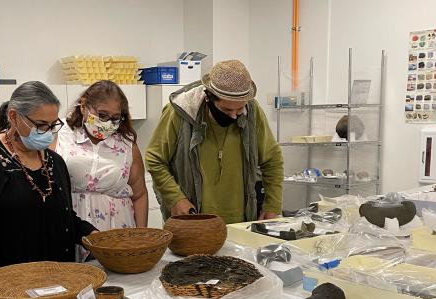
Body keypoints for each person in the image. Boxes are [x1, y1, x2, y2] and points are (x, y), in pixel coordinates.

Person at [0, 81, 98, 280]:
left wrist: (90, 234)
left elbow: (62, 218)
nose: (48, 132)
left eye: (53, 125)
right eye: (41, 125)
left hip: (57, 280)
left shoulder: (56, 162)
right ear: (13, 116)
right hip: (2, 283)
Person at [146, 60, 284, 224]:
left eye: (240, 110)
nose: (234, 116)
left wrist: (272, 205)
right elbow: (154, 159)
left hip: (241, 221)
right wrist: (175, 198)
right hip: (192, 221)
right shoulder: (179, 113)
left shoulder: (253, 112)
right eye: (226, 110)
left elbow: (272, 160)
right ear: (208, 98)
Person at [55, 80, 148, 259]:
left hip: (117, 226)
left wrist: (141, 237)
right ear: (83, 106)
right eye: (102, 115)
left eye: (115, 118)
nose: (107, 123)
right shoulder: (61, 136)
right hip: (73, 226)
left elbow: (139, 194)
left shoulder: (126, 144)